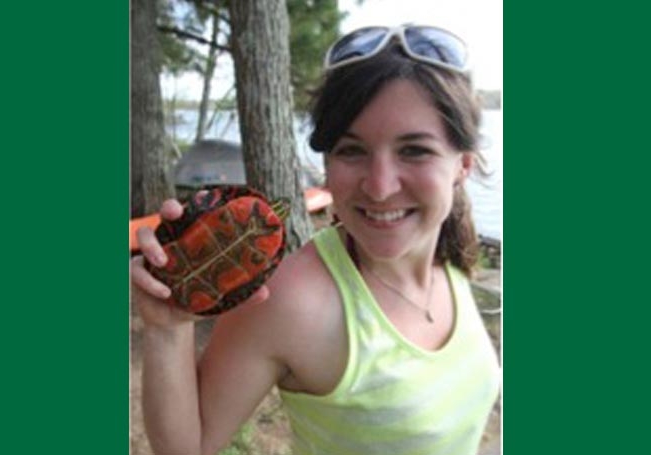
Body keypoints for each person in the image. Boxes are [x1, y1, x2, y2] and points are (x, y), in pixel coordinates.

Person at [131, 24, 500, 455]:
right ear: (326, 164)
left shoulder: (449, 258)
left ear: (464, 165)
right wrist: (168, 328)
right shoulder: (292, 298)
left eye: (414, 150)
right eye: (351, 150)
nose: (380, 187)